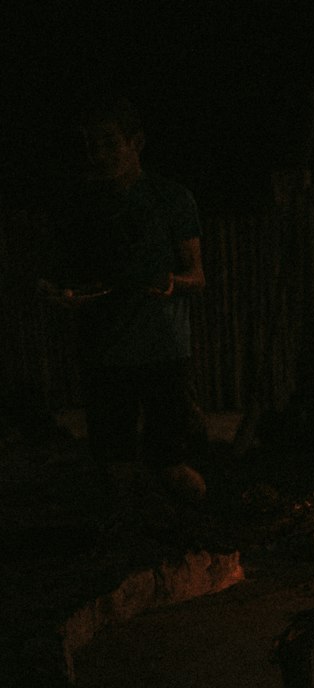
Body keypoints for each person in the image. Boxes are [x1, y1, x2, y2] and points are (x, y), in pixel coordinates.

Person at [41, 94, 207, 511]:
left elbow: (197, 276)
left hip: (161, 351)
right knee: (116, 469)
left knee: (172, 465)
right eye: (91, 146)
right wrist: (63, 296)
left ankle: (200, 535)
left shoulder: (171, 199)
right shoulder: (80, 206)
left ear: (136, 143)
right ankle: (127, 545)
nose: (99, 155)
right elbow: (59, 278)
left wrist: (173, 284)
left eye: (110, 143)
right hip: (103, 353)